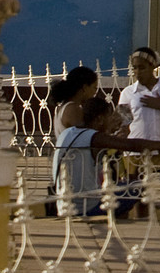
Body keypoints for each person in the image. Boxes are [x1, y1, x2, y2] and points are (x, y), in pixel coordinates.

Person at [50, 76, 142, 218]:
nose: (94, 91)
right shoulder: (87, 131)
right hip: (85, 207)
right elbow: (131, 145)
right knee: (137, 187)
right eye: (93, 88)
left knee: (116, 185)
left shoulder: (68, 132)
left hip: (64, 203)